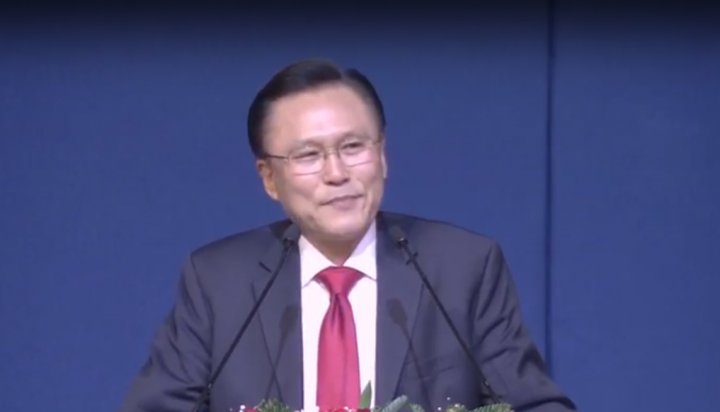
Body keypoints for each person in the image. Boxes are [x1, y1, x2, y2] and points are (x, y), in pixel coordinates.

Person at [119, 58, 576, 412]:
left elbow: (537, 406)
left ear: (383, 154)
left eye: (353, 147)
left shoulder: (462, 267)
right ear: (269, 178)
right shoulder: (219, 281)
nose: (337, 173)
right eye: (308, 155)